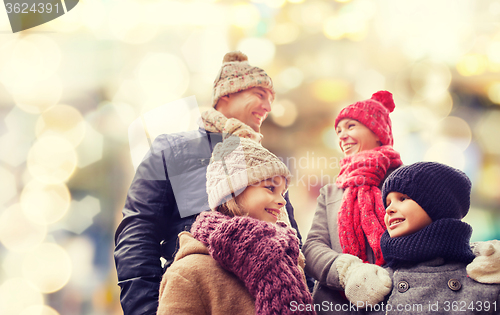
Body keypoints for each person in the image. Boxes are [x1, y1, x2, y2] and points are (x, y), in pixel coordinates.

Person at [114, 51, 302, 315]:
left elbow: (292, 236)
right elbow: (138, 232)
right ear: (226, 94)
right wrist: (147, 310)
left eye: (271, 100)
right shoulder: (172, 149)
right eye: (260, 95)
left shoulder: (267, 163)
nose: (268, 107)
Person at [157, 136, 314, 315]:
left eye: (283, 193)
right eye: (270, 188)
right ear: (232, 192)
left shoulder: (288, 262)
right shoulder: (188, 274)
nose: (282, 201)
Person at [302, 91, 403, 313]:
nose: (342, 136)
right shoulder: (331, 192)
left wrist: (385, 278)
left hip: (396, 301)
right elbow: (312, 247)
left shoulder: (405, 181)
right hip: (335, 305)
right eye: (338, 130)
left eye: (351, 126)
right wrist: (348, 273)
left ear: (378, 132)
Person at [355, 161, 500, 314]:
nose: (389, 209)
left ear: (439, 206)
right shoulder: (376, 283)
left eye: (403, 198)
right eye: (388, 203)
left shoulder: (485, 276)